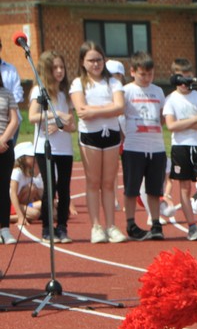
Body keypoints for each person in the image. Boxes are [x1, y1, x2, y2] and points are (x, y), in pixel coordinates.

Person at [69, 41, 125, 244]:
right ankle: (95, 226)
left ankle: (111, 225)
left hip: (110, 135)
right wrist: (105, 108)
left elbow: (119, 107)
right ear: (83, 62)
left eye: (99, 60)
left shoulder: (114, 83)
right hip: (90, 137)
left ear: (104, 60)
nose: (95, 64)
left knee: (109, 183)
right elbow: (82, 111)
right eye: (91, 60)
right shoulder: (78, 83)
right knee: (93, 182)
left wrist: (95, 110)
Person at [120, 51, 180, 241]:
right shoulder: (126, 91)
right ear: (132, 72)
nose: (146, 78)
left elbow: (161, 116)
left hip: (156, 147)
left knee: (155, 189)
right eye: (142, 74)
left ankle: (155, 223)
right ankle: (130, 223)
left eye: (150, 74)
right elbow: (120, 117)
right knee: (132, 188)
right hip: (133, 147)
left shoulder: (158, 91)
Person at [163, 57, 197, 242]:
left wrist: (184, 124)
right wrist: (195, 120)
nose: (185, 82)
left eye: (188, 78)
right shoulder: (170, 99)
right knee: (185, 189)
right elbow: (171, 126)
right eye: (181, 78)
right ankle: (192, 227)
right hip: (180, 148)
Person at [28, 50, 76, 243]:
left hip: (65, 148)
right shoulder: (39, 91)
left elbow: (72, 125)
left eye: (61, 67)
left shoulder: (66, 93)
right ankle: (47, 228)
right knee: (50, 188)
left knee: (64, 188)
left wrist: (61, 123)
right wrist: (55, 116)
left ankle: (62, 227)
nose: (59, 71)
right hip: (45, 147)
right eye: (55, 67)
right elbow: (32, 117)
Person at [0, 80, 18, 244]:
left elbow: (14, 120)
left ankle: (4, 229)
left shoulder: (6, 93)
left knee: (3, 187)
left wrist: (3, 139)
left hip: (4, 147)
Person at [9, 142, 42, 228]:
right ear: (22, 157)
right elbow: (12, 194)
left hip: (19, 204)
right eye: (31, 156)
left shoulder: (28, 173)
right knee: (36, 213)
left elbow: (37, 193)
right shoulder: (17, 172)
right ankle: (7, 218)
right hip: (9, 204)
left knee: (32, 189)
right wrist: (20, 217)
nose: (35, 158)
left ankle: (21, 213)